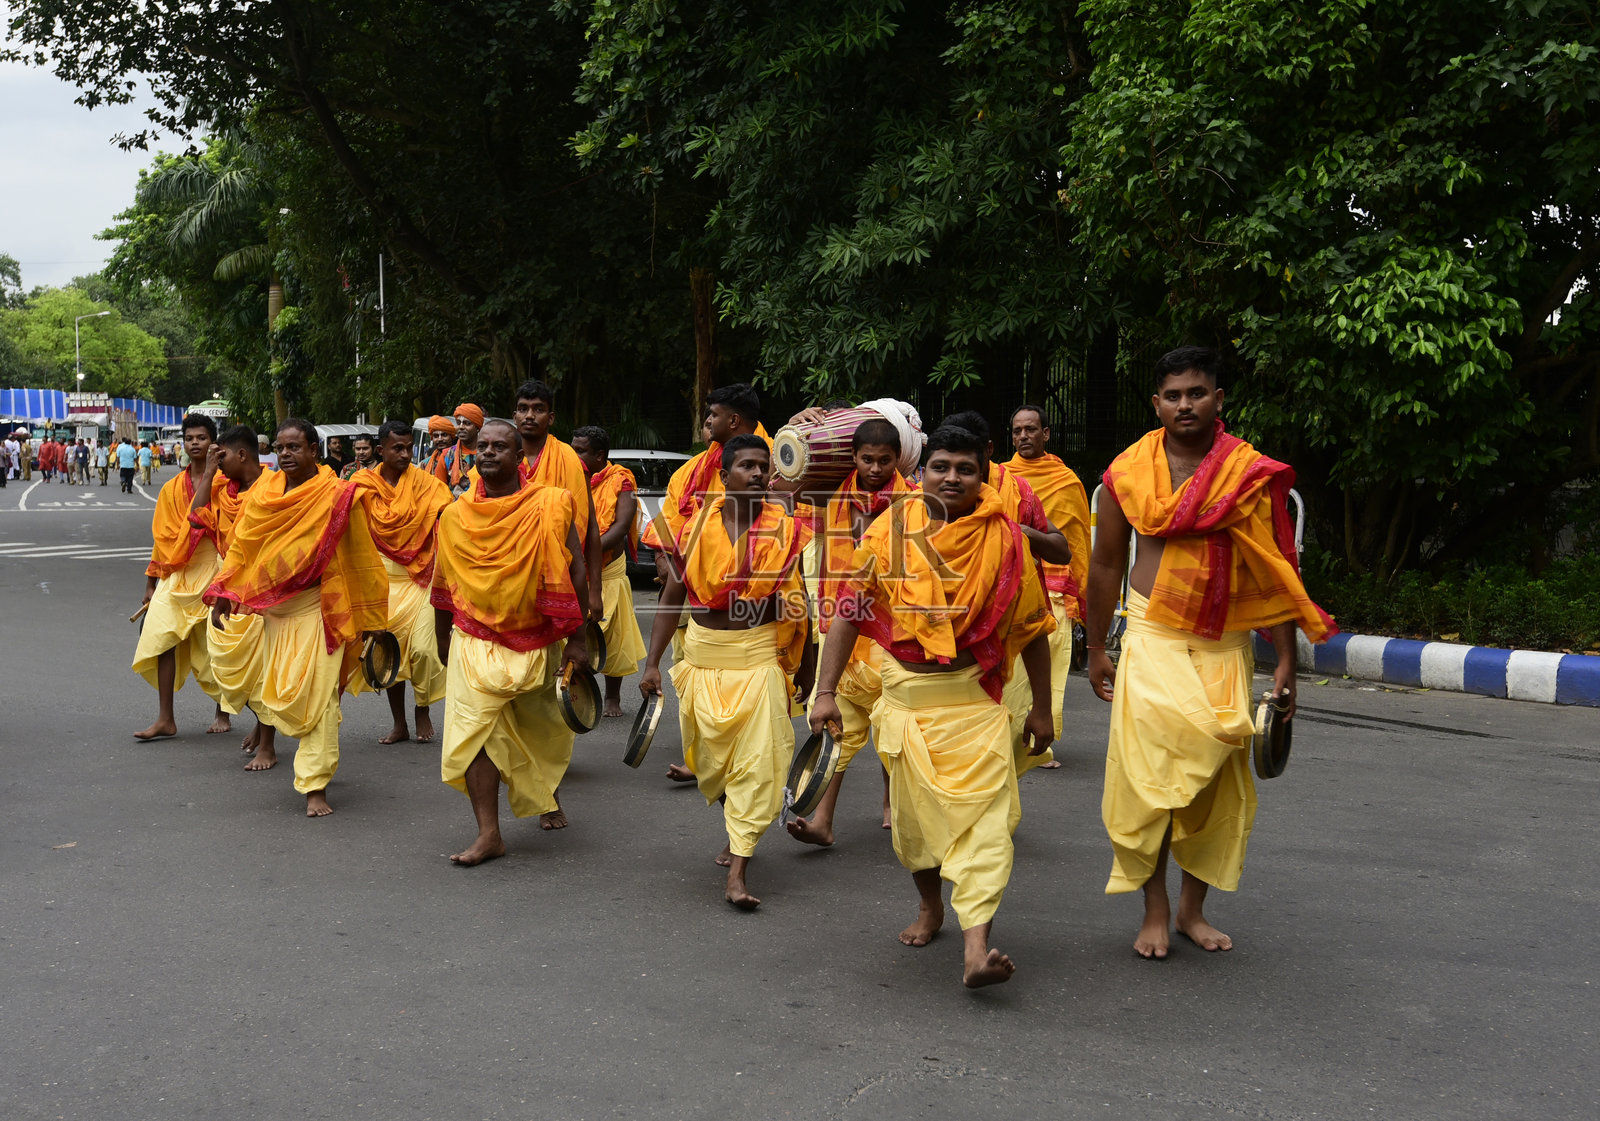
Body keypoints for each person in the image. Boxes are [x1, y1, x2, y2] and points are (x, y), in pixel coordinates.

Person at [1086, 346, 1335, 960]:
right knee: (1145, 783)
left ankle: (1193, 910)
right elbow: (1106, 563)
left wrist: (1284, 661)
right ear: (1156, 404)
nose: (1184, 404)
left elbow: (1275, 569)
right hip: (1150, 635)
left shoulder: (1246, 473)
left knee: (1214, 786)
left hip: (1224, 642)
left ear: (1218, 399)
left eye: (1196, 393)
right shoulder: (1128, 472)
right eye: (1172, 395)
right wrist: (1094, 647)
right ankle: (1154, 907)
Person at [810, 424, 1056, 987]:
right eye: (941, 467)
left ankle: (977, 948)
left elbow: (1034, 628)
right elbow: (849, 611)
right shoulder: (887, 532)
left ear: (983, 475)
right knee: (915, 832)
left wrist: (1041, 709)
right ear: (921, 474)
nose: (952, 478)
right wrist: (825, 693)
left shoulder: (1006, 540)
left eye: (965, 469)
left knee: (983, 828)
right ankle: (931, 907)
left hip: (974, 703)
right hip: (905, 704)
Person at [640, 435, 812, 910]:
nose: (758, 475)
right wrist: (653, 663)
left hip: (758, 658)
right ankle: (735, 829)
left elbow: (801, 606)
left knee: (757, 766)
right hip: (701, 657)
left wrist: (811, 673)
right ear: (724, 475)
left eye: (764, 468)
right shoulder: (693, 528)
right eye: (748, 467)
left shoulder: (788, 531)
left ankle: (739, 868)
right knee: (713, 764)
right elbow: (672, 598)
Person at [207, 419, 387, 817]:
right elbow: (243, 549)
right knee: (284, 691)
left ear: (313, 451)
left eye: (295, 448)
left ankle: (314, 785)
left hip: (321, 606)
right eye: (282, 448)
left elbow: (361, 557)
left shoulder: (337, 495)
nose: (286, 454)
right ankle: (301, 754)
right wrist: (224, 592)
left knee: (319, 695)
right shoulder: (264, 496)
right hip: (276, 611)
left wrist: (368, 614)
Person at [430, 419, 591, 865]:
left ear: (520, 457)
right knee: (476, 732)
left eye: (500, 447)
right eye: (482, 446)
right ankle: (489, 834)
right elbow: (444, 581)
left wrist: (577, 640)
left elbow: (575, 570)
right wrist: (443, 637)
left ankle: (544, 794)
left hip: (536, 638)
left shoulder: (553, 503)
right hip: (473, 637)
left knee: (538, 728)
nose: (488, 453)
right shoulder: (456, 515)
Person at [785, 416, 911, 847]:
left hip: (894, 628)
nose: (875, 469)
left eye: (884, 460)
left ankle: (893, 804)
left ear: (899, 459)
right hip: (842, 626)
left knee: (892, 723)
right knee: (838, 723)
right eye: (866, 459)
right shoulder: (832, 494)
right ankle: (823, 821)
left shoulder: (916, 499)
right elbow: (788, 471)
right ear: (852, 457)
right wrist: (799, 426)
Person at [640, 384, 769, 783]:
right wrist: (665, 558)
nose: (706, 421)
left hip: (755, 620)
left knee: (753, 720)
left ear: (733, 420)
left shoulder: (776, 459)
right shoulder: (695, 467)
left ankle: (730, 765)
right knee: (693, 683)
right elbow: (668, 524)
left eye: (711, 414)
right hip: (695, 596)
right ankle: (703, 758)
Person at [940, 410, 1070, 778]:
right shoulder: (920, 505)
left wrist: (1021, 535)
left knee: (1000, 750)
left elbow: (1062, 550)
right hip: (939, 656)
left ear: (988, 452)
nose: (956, 475)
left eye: (969, 460)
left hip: (1003, 642)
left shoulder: (1018, 492)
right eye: (947, 461)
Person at [347, 420, 454, 745]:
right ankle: (399, 723)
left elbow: (448, 521)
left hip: (419, 577)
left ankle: (422, 710)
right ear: (380, 451)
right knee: (387, 652)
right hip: (379, 580)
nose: (406, 453)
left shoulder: (428, 484)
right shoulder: (361, 484)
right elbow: (350, 533)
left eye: (409, 447)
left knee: (423, 649)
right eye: (398, 448)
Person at [130, 414, 231, 741]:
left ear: (213, 442)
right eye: (189, 438)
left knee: (218, 641)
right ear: (183, 444)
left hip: (213, 566)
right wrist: (151, 581)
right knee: (160, 636)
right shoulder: (172, 488)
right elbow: (164, 538)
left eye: (201, 437)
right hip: (176, 570)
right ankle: (165, 718)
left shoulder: (225, 483)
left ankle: (222, 710)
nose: (195, 443)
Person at [189, 425, 278, 769]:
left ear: (242, 455)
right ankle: (260, 722)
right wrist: (209, 473)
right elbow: (195, 518)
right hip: (230, 582)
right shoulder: (224, 491)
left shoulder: (275, 487)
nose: (218, 463)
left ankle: (268, 746)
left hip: (265, 585)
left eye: (221, 456)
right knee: (229, 660)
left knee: (265, 666)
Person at [1006, 405, 1092, 753]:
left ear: (1046, 434)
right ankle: (1012, 731)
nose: (1023, 436)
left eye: (1030, 429)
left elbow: (1078, 540)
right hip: (1016, 582)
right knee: (1014, 672)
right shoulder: (1003, 477)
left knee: (1052, 667)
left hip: (1058, 588)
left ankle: (1046, 740)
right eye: (1017, 430)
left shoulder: (1067, 480)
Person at [571, 425, 648, 718]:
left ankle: (612, 697)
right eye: (573, 449)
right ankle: (575, 694)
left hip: (609, 570)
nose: (575, 455)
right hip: (576, 568)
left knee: (612, 638)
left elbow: (618, 528)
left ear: (600, 455)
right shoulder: (571, 479)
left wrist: (585, 551)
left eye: (581, 450)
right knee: (575, 635)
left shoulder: (622, 481)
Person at [431, 403, 480, 493]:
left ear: (477, 427)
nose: (461, 427)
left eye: (467, 423)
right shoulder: (447, 455)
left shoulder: (487, 453)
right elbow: (438, 491)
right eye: (458, 423)